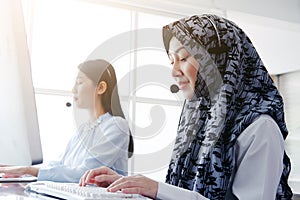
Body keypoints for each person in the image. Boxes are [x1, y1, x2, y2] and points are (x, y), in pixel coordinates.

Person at [79, 14, 293, 199]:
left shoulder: (260, 128)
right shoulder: (200, 121)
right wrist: (130, 186)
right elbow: (185, 192)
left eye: (182, 58)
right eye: (171, 60)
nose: (173, 71)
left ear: (216, 60)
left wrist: (155, 189)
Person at [0, 59, 134, 183]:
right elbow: (59, 164)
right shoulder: (84, 129)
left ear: (101, 88)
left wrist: (30, 171)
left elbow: (85, 173)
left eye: (80, 83)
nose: (73, 90)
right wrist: (23, 169)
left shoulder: (116, 125)